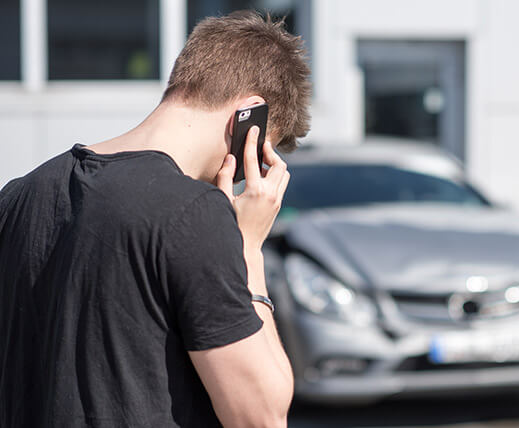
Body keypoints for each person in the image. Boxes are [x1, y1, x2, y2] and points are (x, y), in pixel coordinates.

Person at [0, 10, 311, 428]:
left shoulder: (19, 194)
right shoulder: (193, 211)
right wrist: (248, 249)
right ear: (247, 118)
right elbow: (262, 416)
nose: (244, 176)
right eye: (258, 156)